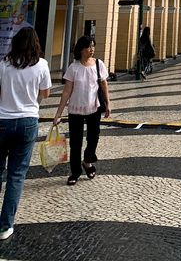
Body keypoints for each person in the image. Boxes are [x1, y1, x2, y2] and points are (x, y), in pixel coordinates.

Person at [0, 27, 51, 240]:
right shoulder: (42, 65)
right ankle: (5, 226)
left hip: (2, 120)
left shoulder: (3, 64)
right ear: (36, 44)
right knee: (16, 175)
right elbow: (46, 93)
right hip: (28, 120)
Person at [53, 35, 111, 186]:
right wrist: (58, 113)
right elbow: (66, 92)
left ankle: (87, 161)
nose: (91, 49)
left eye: (93, 46)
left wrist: (108, 103)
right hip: (75, 109)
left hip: (94, 107)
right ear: (81, 49)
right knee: (76, 142)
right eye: (88, 47)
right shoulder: (74, 68)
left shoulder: (99, 64)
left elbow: (104, 84)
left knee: (94, 137)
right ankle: (75, 172)